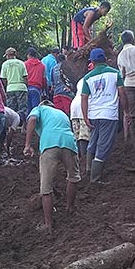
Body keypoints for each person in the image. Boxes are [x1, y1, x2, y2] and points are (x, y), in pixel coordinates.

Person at [23, 100, 81, 233]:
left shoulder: (39, 109)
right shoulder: (61, 113)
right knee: (73, 177)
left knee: (46, 187)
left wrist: (27, 144)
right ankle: (70, 209)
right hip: (69, 142)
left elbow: (32, 120)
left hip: (50, 144)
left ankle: (48, 224)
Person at [81, 48, 128, 183]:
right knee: (103, 146)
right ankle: (95, 179)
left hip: (93, 115)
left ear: (93, 61)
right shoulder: (115, 73)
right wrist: (126, 112)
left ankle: (89, 170)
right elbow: (122, 94)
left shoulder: (88, 77)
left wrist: (85, 117)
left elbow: (84, 98)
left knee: (93, 142)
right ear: (105, 59)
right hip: (109, 114)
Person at [1, 47, 29, 123]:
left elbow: (3, 78)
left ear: (7, 55)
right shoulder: (21, 63)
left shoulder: (5, 64)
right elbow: (25, 77)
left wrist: (7, 85)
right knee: (22, 108)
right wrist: (27, 86)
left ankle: (12, 126)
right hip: (21, 87)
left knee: (11, 108)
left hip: (10, 88)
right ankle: (23, 125)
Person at [70, 74, 91, 173]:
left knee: (77, 135)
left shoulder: (81, 79)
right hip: (83, 105)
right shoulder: (92, 78)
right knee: (84, 136)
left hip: (74, 106)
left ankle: (77, 160)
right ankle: (84, 160)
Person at [24, 47, 47, 115]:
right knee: (36, 110)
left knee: (27, 109)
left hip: (26, 88)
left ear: (28, 55)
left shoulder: (24, 64)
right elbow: (44, 80)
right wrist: (44, 89)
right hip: (37, 89)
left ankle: (27, 124)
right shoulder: (42, 65)